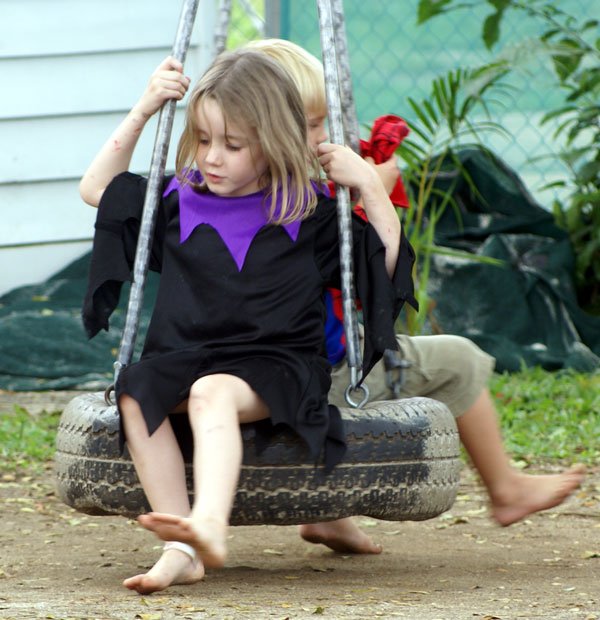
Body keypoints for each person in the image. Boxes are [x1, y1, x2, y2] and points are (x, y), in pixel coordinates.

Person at [79, 49, 416, 593]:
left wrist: (370, 188)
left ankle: (209, 522)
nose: (213, 157)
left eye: (232, 145)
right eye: (205, 139)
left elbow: (386, 267)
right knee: (136, 389)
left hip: (278, 362)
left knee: (213, 392)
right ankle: (181, 547)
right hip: (186, 357)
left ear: (276, 142)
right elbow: (97, 190)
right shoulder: (178, 199)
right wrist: (144, 109)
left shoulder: (306, 211)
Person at [244, 38, 586, 555]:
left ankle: (329, 515)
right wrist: (370, 190)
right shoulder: (307, 201)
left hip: (266, 373)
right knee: (459, 360)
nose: (324, 137)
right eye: (313, 126)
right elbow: (369, 270)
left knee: (367, 345)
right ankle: (506, 489)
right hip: (317, 377)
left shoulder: (230, 192)